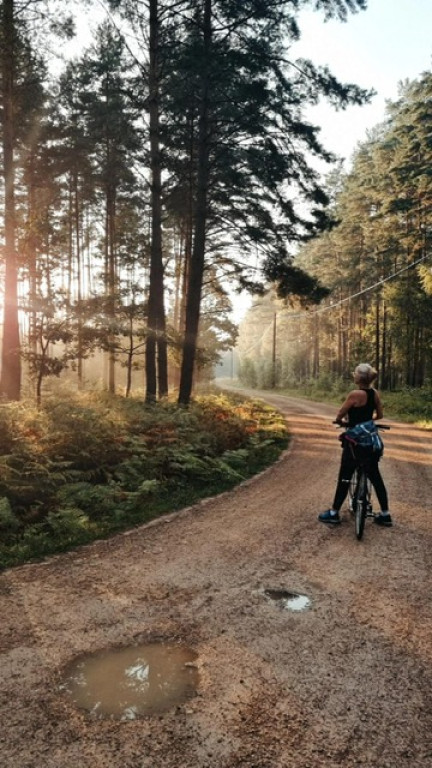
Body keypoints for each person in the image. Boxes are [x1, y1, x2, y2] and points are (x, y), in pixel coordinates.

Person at [318, 363, 392, 527]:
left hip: (354, 443)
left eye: (355, 373)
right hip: (370, 442)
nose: (354, 375)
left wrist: (341, 422)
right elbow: (379, 415)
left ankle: (333, 513)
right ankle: (385, 514)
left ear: (359, 377)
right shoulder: (374, 394)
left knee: (345, 475)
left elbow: (340, 414)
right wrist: (367, 423)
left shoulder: (355, 394)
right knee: (376, 477)